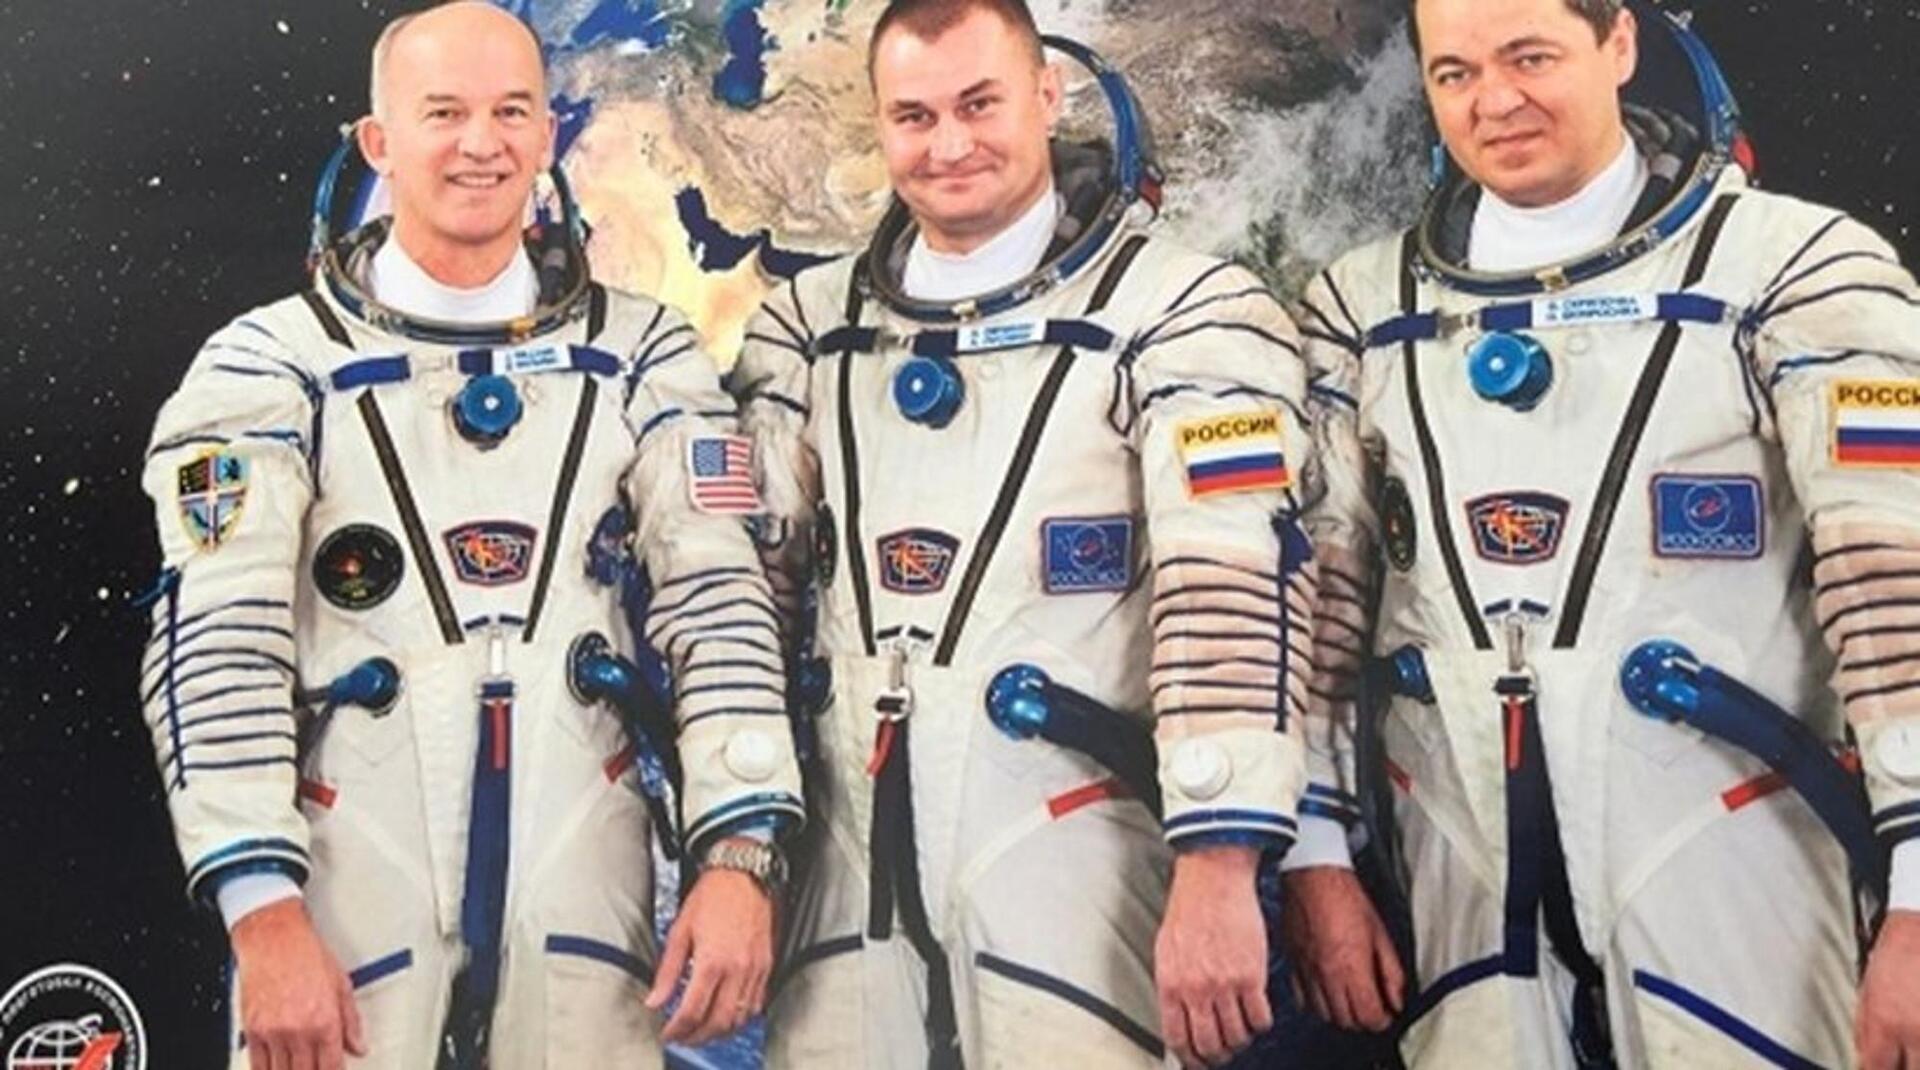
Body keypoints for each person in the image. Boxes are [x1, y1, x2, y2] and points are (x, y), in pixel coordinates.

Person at [137, 5, 802, 1067]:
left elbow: (719, 601)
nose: (480, 144)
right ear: (379, 140)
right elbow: (218, 642)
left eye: (511, 112)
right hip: (348, 885)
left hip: (584, 875)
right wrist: (260, 908)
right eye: (443, 113)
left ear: (548, 134)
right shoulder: (270, 367)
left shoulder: (641, 356)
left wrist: (739, 850)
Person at [1284, 0, 1920, 1066]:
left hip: (1741, 869)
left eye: (1530, 56)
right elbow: (1315, 612)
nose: (1495, 100)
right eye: (1455, 73)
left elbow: (1896, 587)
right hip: (1463, 881)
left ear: (1620, 43)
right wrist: (1313, 850)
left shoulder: (1793, 270)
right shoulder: (1359, 311)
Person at [729, 1, 1319, 1067]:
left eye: (979, 104)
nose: (949, 144)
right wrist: (741, 848)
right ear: (879, 122)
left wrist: (1220, 859)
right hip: (845, 866)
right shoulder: (806, 329)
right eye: (914, 116)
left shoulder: (1187, 313)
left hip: (1079, 851)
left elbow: (1232, 580)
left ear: (1047, 94)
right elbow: (741, 598)